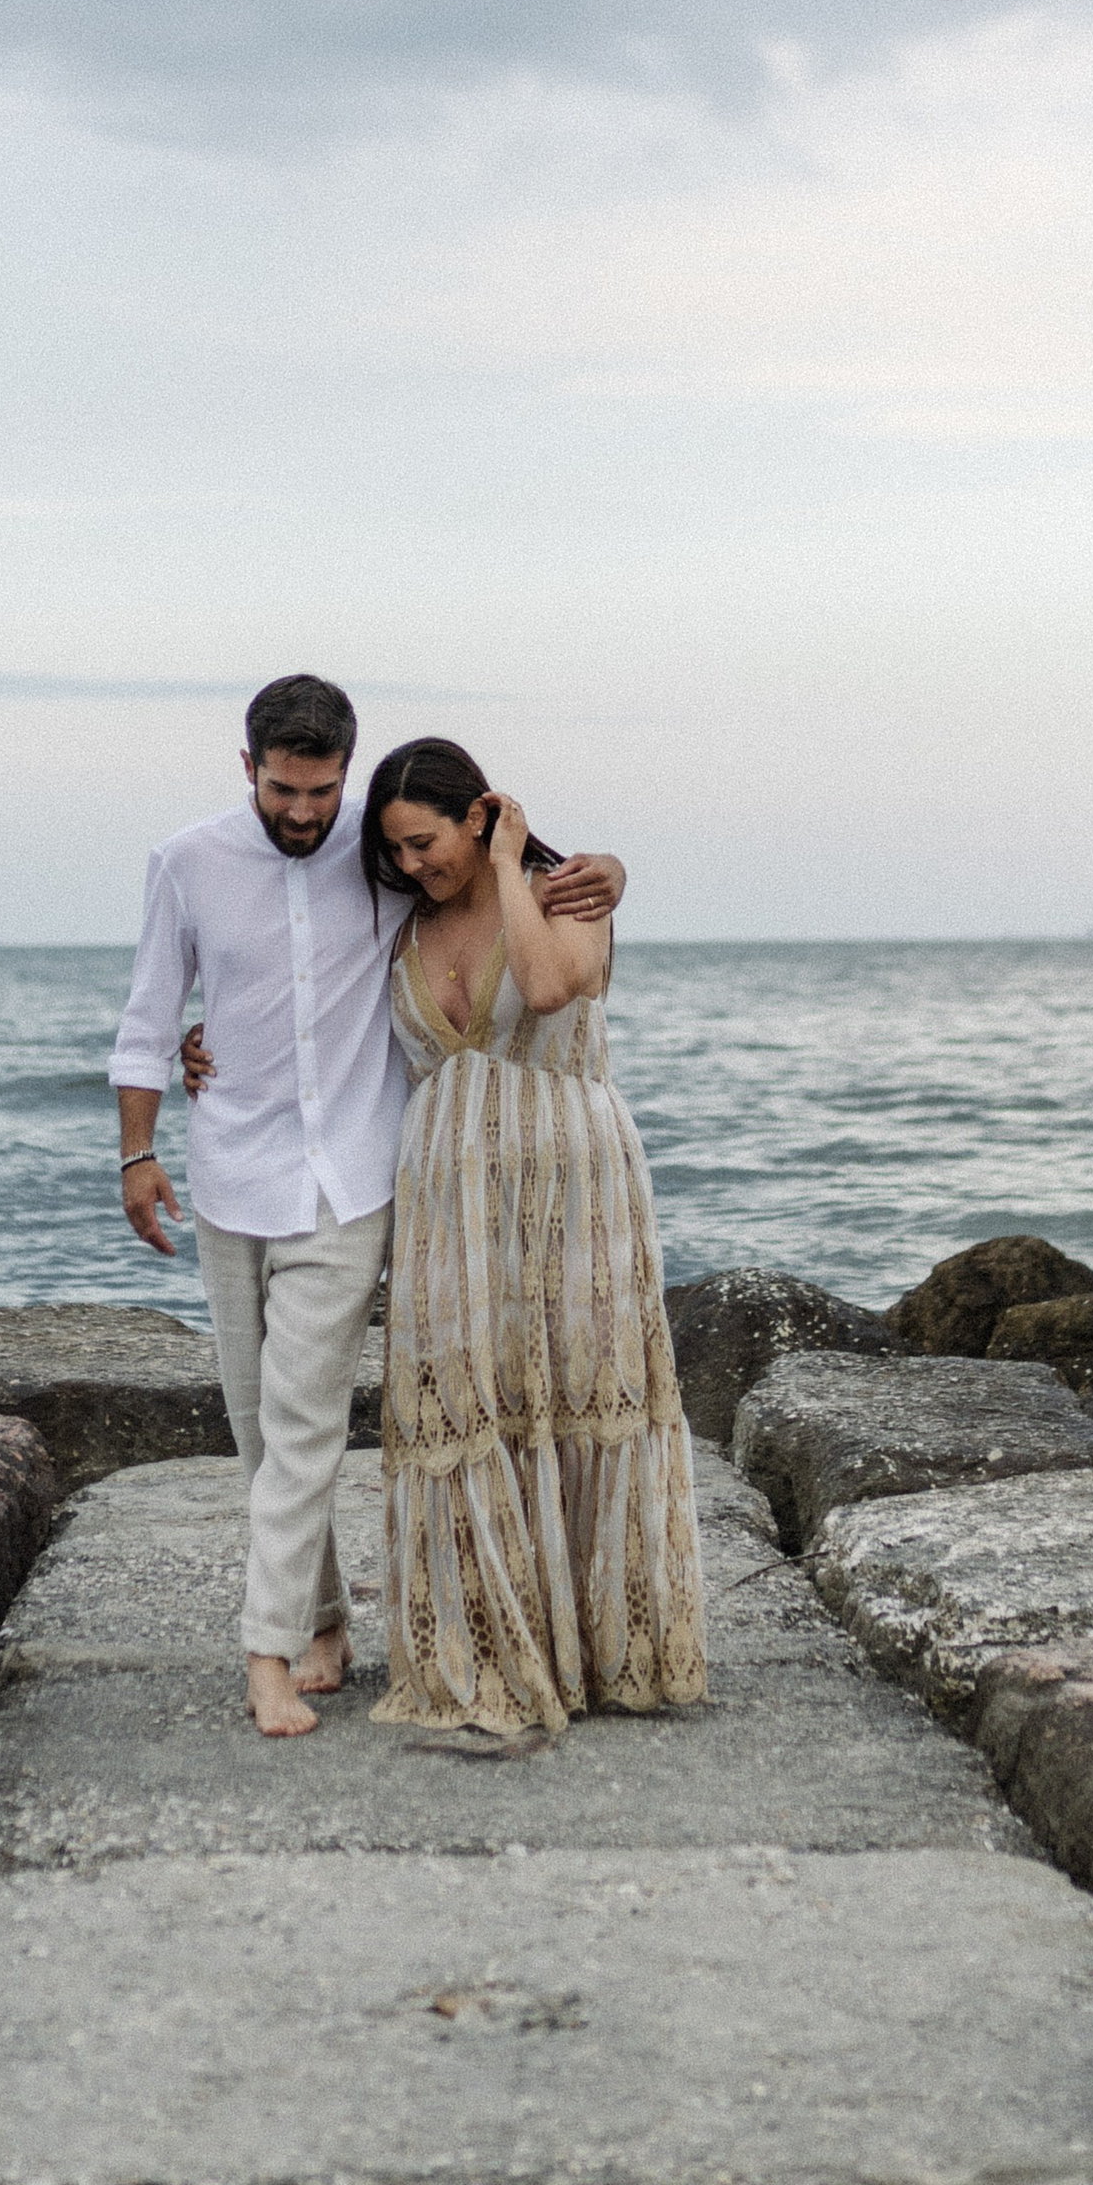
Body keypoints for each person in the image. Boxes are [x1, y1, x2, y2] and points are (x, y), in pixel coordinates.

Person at [109, 674, 625, 1738]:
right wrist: (138, 1150)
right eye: (283, 790)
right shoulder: (188, 862)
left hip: (351, 1179)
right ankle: (328, 1623)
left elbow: (499, 883)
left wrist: (612, 871)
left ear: (346, 771)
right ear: (248, 767)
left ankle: (267, 1658)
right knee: (260, 1432)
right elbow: (151, 1015)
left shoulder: (382, 856)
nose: (303, 812)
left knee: (302, 1427)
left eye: (321, 790)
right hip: (230, 1176)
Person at [362, 735, 706, 1737]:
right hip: (447, 1197)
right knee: (469, 1395)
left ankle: (598, 1653)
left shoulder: (567, 893)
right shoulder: (396, 923)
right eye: (395, 853)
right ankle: (488, 1647)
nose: (413, 867)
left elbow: (551, 988)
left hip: (573, 1178)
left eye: (426, 843)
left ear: (479, 815)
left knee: (578, 1381)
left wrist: (516, 862)